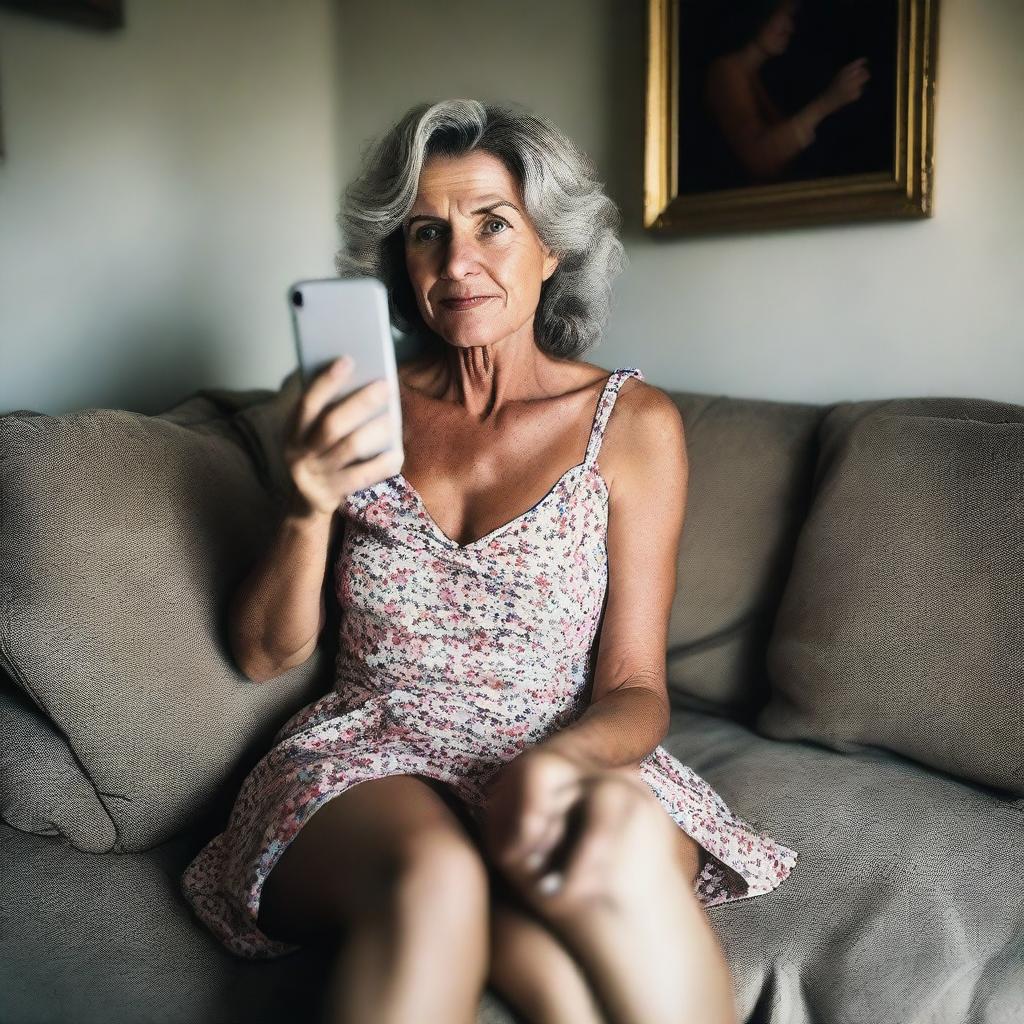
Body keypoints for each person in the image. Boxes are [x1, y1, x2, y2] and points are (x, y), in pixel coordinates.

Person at [181, 98, 798, 1024]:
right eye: (427, 233)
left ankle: (516, 911)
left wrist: (564, 763)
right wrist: (308, 504)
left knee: (613, 849)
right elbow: (263, 656)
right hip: (373, 756)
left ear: (553, 249)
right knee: (436, 882)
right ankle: (486, 909)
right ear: (400, 262)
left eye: (493, 225)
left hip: (554, 743)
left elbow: (635, 683)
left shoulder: (633, 428)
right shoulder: (354, 409)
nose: (458, 262)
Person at [705, 0, 871, 183]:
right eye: (781, 14)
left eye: (790, 16)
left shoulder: (753, 77)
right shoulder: (726, 71)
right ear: (759, 14)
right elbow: (758, 158)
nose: (789, 28)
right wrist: (828, 102)